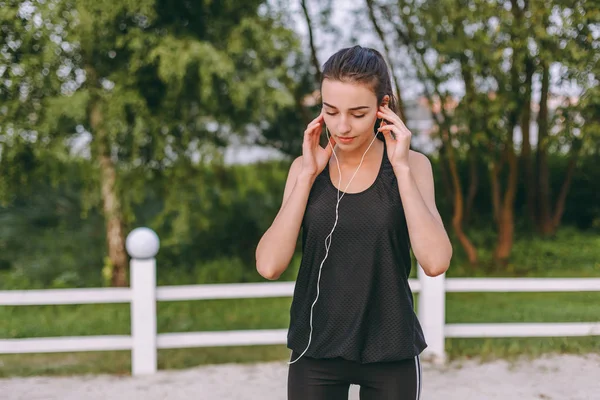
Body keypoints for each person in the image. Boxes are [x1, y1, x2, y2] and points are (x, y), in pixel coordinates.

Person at [255, 45, 452, 400]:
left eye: (358, 113)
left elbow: (436, 262)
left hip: (390, 348)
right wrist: (306, 176)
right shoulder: (304, 170)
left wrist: (402, 169)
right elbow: (269, 265)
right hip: (315, 349)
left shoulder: (414, 167)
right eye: (331, 111)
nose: (341, 126)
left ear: (383, 108)